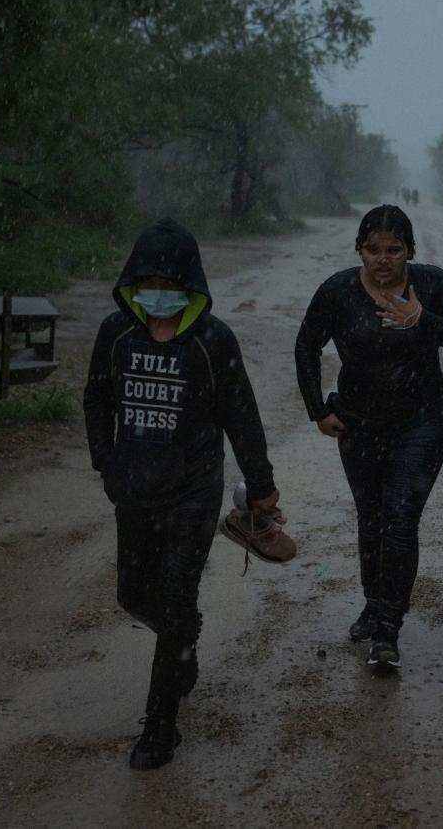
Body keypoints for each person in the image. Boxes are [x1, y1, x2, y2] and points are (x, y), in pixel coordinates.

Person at [83, 218, 284, 770]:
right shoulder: (115, 335)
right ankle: (183, 638)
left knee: (172, 603)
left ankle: (159, 726)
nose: (161, 295)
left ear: (191, 286)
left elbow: (241, 416)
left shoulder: (213, 340)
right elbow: (96, 401)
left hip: (193, 494)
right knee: (132, 594)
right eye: (149, 283)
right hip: (133, 492)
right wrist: (107, 461)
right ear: (131, 283)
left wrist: (261, 484)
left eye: (172, 286)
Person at [295, 204, 443, 669]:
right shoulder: (338, 291)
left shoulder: (432, 284)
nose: (382, 259)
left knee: (400, 521)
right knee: (371, 520)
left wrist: (424, 320)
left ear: (410, 251)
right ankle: (373, 603)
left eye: (394, 250)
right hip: (358, 425)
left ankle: (387, 629)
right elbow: (306, 345)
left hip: (422, 423)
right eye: (372, 249)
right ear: (359, 249)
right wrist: (318, 409)